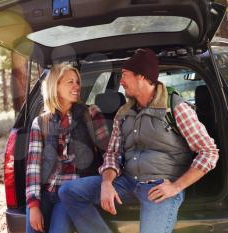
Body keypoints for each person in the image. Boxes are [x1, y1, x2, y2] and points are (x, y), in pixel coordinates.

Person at [58, 49, 219, 233]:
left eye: (125, 75)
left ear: (141, 77)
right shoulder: (123, 113)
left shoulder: (175, 107)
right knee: (68, 192)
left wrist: (176, 187)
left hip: (159, 189)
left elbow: (209, 152)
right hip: (127, 182)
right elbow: (112, 154)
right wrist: (106, 183)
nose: (121, 81)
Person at [25, 64, 109, 233]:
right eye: (70, 82)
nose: (77, 86)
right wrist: (33, 205)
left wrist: (107, 183)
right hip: (45, 192)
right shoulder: (41, 122)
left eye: (77, 82)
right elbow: (33, 167)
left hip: (70, 193)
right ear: (55, 86)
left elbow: (109, 152)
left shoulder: (91, 114)